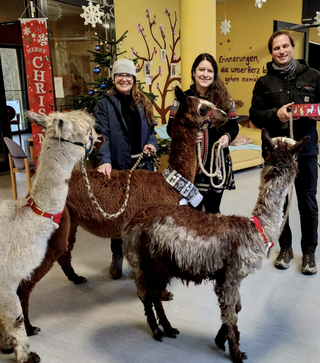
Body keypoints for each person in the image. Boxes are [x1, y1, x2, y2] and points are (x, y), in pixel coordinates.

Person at [249, 30, 320, 275]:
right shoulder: (263, 83)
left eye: (285, 46)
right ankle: (285, 248)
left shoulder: (313, 75)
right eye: (276, 48)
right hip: (275, 155)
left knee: (308, 203)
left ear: (292, 48)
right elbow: (255, 115)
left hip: (306, 151)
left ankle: (309, 252)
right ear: (271, 52)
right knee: (279, 203)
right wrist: (275, 114)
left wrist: (314, 112)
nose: (281, 51)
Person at [95, 58, 158, 279]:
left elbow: (152, 130)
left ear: (134, 79)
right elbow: (102, 135)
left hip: (142, 168)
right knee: (118, 213)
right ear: (114, 78)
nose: (124, 79)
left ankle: (138, 258)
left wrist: (152, 143)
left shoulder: (143, 102)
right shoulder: (104, 104)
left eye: (128, 75)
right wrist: (104, 160)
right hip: (118, 168)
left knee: (142, 216)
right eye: (120, 75)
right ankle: (117, 256)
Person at [167, 53, 239, 214]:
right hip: (192, 165)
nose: (205, 74)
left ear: (214, 74)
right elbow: (171, 127)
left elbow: (233, 126)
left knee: (213, 209)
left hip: (216, 163)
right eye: (201, 69)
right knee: (192, 211)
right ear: (193, 72)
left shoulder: (225, 99)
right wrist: (189, 137)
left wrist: (227, 137)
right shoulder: (182, 99)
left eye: (210, 71)